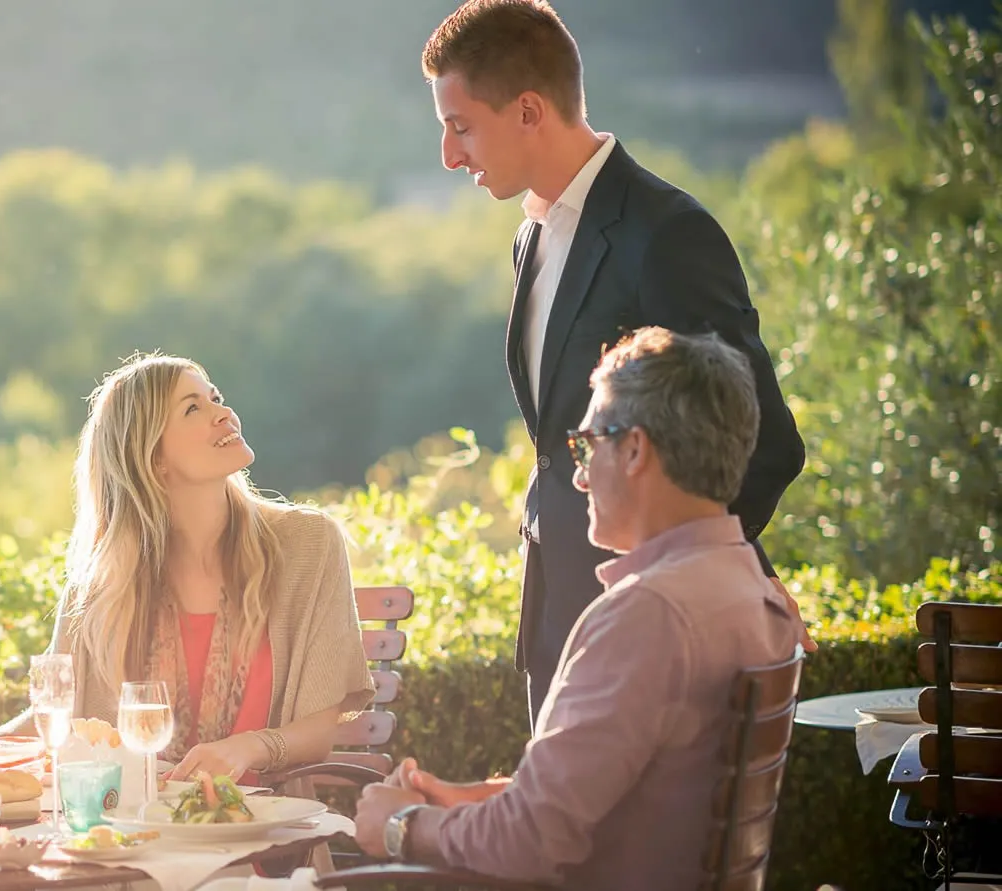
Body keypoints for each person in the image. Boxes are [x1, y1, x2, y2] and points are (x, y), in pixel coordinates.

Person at [419, 0, 810, 722]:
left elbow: (768, 442)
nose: (449, 154)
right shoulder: (531, 238)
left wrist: (699, 579)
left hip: (660, 639)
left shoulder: (667, 234)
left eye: (461, 126)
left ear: (529, 110)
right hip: (556, 623)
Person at [352, 327, 801, 889]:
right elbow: (639, 801)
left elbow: (529, 844)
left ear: (634, 449)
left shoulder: (647, 616)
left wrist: (400, 826)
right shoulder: (751, 590)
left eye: (587, 445)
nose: (580, 476)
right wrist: (476, 801)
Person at [42, 353, 372, 782]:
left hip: (266, 820)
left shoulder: (309, 543)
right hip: (136, 820)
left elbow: (319, 730)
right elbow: (56, 716)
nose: (224, 413)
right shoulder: (106, 577)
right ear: (152, 457)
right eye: (193, 408)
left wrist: (250, 748)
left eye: (215, 398)